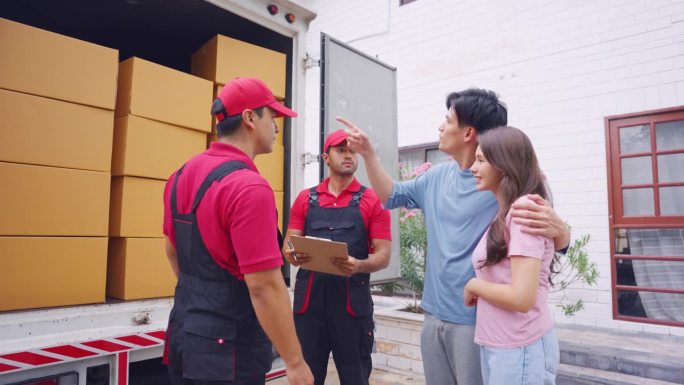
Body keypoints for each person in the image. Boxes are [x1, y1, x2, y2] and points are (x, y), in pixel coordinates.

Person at [340, 88, 570, 385]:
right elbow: (391, 195)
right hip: (434, 313)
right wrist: (369, 155)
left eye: (447, 120)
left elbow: (543, 233)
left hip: (478, 320)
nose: (440, 126)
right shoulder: (437, 176)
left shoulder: (500, 179)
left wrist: (562, 234)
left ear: (468, 133)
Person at [162, 77, 313, 385]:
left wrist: (206, 298)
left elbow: (173, 250)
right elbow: (264, 288)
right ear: (249, 118)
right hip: (227, 355)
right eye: (272, 116)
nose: (277, 126)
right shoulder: (249, 187)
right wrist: (295, 362)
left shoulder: (178, 176)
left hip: (184, 338)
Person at [281, 129, 392, 385]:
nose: (348, 155)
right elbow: (288, 244)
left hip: (352, 307)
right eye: (341, 150)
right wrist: (291, 254)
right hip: (309, 307)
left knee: (355, 377)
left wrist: (360, 265)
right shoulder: (305, 199)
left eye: (352, 150)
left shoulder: (372, 200)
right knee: (306, 378)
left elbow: (383, 255)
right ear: (325, 158)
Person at [464, 126, 560, 385]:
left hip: (520, 347)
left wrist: (474, 285)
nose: (473, 167)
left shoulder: (522, 212)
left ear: (504, 166)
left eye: (481, 160)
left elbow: (521, 297)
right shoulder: (506, 211)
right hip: (504, 345)